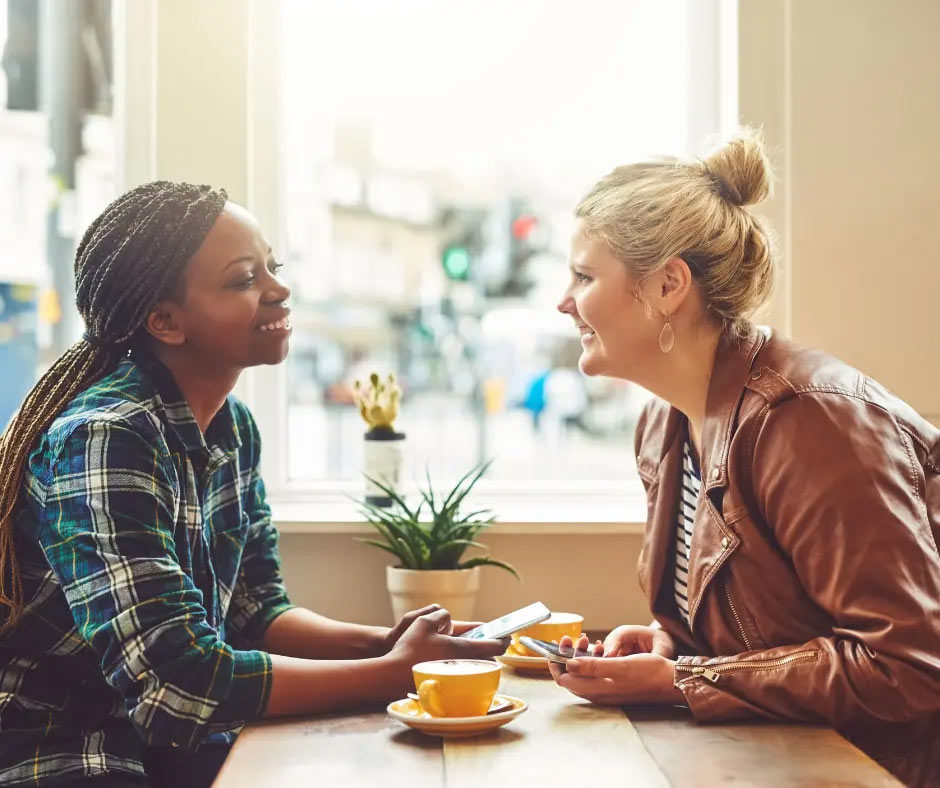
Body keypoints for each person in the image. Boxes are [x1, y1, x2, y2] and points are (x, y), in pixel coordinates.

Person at [0, 181, 506, 787]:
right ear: (164, 320)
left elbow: (254, 611)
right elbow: (177, 684)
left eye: (274, 267)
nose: (279, 289)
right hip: (59, 747)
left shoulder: (231, 427)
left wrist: (384, 644)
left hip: (158, 742)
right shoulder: (107, 437)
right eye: (243, 279)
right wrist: (399, 672)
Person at [550, 132, 940, 786]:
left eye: (585, 277)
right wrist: (668, 645)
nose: (565, 302)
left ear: (669, 284)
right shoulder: (663, 421)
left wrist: (681, 679)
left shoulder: (812, 421)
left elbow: (908, 665)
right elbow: (761, 631)